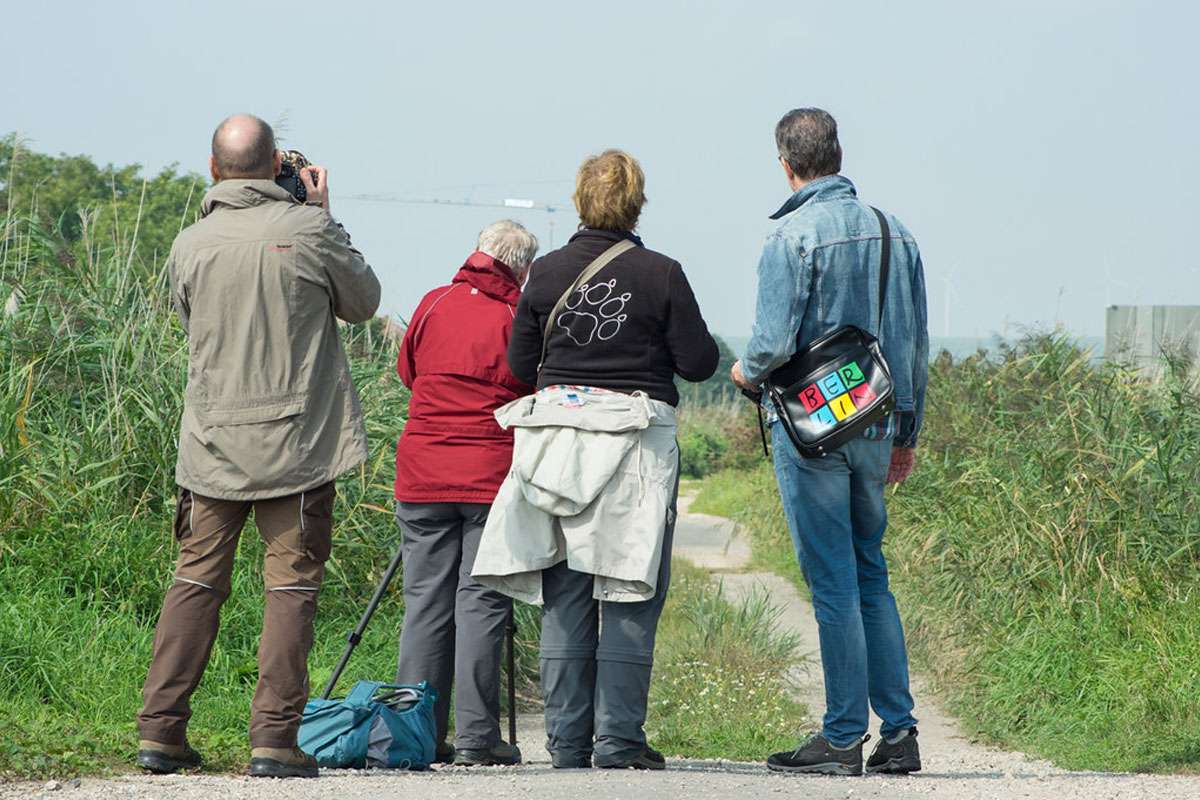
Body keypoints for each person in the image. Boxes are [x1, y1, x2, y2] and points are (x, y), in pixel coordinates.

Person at [136, 114, 381, 779]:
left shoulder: (190, 242)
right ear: (278, 166)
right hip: (295, 448)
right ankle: (274, 740)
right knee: (290, 589)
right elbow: (364, 303)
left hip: (211, 444)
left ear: (213, 169)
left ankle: (160, 732)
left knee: (194, 580)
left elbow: (188, 321)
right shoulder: (310, 230)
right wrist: (325, 212)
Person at [472, 149, 719, 770]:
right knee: (629, 585)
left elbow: (520, 368)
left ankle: (566, 743)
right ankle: (619, 741)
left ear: (580, 201)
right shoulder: (662, 273)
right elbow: (698, 364)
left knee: (565, 586)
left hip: (555, 445)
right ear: (637, 203)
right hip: (636, 446)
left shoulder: (547, 273)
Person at [731, 108, 929, 776]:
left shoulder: (792, 236)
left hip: (811, 430)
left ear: (785, 163)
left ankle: (843, 738)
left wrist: (743, 372)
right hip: (876, 422)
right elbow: (912, 345)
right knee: (872, 571)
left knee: (834, 582)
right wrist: (907, 432)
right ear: (838, 154)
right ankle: (899, 734)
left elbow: (772, 342)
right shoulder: (894, 232)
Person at [393, 220, 540, 767]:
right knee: (480, 601)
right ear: (521, 268)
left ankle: (416, 733)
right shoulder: (516, 316)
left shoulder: (433, 303)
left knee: (424, 602)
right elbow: (531, 388)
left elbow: (409, 373)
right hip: (486, 479)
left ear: (477, 253)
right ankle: (479, 738)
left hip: (422, 472)